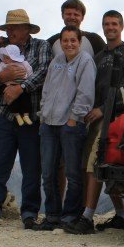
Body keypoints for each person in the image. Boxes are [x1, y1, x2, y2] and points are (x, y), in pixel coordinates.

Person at [65, 10, 124, 235]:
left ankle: (87, 218)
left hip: (117, 118)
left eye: (114, 24)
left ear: (121, 26)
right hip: (97, 117)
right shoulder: (99, 57)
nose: (110, 28)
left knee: (95, 164)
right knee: (105, 166)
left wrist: (103, 109)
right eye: (106, 24)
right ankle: (120, 216)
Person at [0, 9, 52, 229]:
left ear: (26, 30)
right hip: (3, 117)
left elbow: (44, 71)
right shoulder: (1, 50)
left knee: (32, 168)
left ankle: (29, 213)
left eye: (14, 27)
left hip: (30, 118)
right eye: (8, 28)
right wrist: (2, 76)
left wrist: (21, 88)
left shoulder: (41, 47)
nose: (10, 31)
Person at [32, 25, 96, 230]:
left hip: (70, 125)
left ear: (80, 42)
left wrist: (74, 118)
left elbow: (85, 92)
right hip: (49, 124)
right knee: (48, 173)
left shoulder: (85, 61)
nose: (69, 44)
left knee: (73, 173)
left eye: (73, 40)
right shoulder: (56, 61)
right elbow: (47, 90)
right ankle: (52, 216)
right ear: (60, 42)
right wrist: (43, 114)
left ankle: (70, 217)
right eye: (65, 40)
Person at [0, 44, 34, 126]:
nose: (4, 59)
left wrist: (28, 79)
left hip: (22, 84)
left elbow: (30, 71)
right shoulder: (3, 65)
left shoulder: (23, 63)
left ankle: (26, 115)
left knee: (26, 100)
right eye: (4, 57)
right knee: (12, 101)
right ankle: (18, 116)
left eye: (6, 58)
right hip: (9, 86)